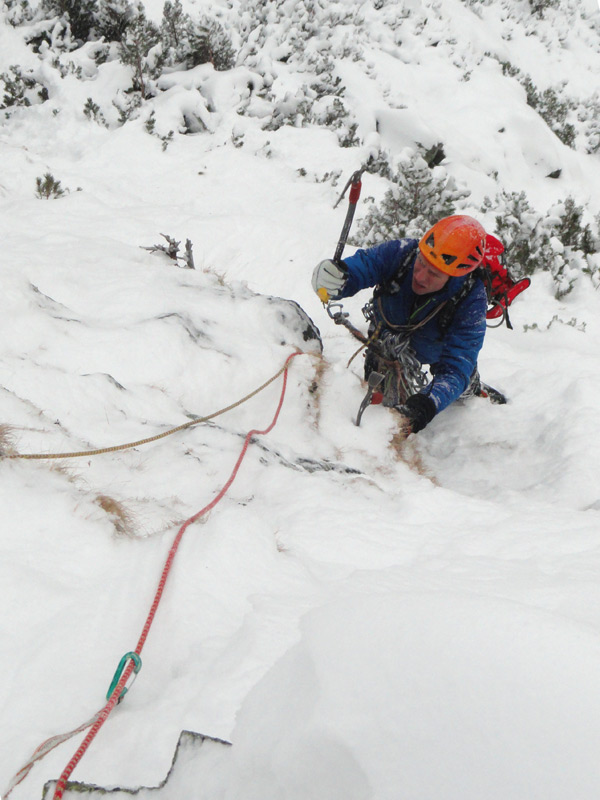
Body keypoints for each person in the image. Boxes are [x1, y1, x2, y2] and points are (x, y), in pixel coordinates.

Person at [312, 214, 502, 434]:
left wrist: (426, 404)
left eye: (434, 273)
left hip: (437, 352)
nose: (420, 276)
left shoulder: (471, 299)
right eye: (421, 262)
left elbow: (457, 365)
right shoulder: (402, 253)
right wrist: (336, 279)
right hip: (385, 342)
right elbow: (364, 266)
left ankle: (474, 388)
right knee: (381, 405)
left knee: (460, 383)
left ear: (455, 276)